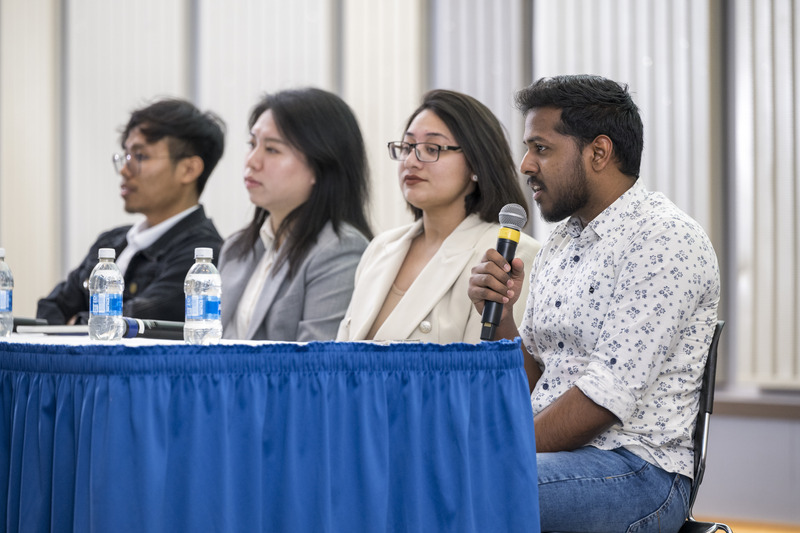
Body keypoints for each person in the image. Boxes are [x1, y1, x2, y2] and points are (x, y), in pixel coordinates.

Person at [467, 75, 721, 532]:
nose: (525, 165)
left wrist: (503, 446)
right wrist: (504, 318)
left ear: (598, 153)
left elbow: (604, 400)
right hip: (558, 460)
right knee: (428, 469)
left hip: (638, 471)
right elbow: (537, 378)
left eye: (541, 148)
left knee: (472, 480)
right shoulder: (562, 242)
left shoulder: (665, 239)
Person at [337, 89, 540, 343]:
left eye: (431, 148)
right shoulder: (381, 248)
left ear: (476, 164)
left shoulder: (510, 254)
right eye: (407, 146)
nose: (411, 160)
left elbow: (485, 373)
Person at [37, 98, 225, 325]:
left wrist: (76, 322)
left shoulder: (202, 255)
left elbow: (131, 323)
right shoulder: (111, 241)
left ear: (188, 169)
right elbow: (50, 308)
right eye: (125, 156)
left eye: (140, 157)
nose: (125, 170)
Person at [218, 88, 372, 341]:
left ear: (320, 166)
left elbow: (314, 366)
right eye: (252, 144)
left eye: (272, 150)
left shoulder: (340, 250)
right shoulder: (236, 247)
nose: (251, 161)